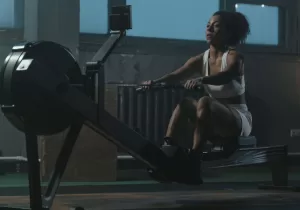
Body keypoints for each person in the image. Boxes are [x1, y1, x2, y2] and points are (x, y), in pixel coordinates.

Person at [142, 10, 252, 184]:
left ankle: (193, 166)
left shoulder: (234, 58)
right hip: (211, 117)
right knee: (186, 103)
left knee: (205, 101)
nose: (209, 29)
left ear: (228, 33)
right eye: (207, 25)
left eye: (215, 26)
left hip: (238, 119)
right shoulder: (200, 59)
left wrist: (202, 79)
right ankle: (167, 153)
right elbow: (175, 75)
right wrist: (154, 82)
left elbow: (226, 75)